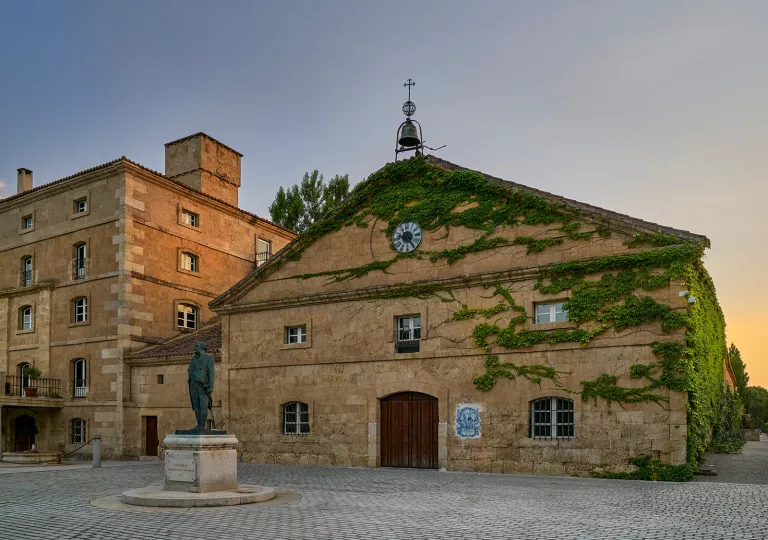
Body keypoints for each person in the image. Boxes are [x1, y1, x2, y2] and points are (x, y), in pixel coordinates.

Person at [187, 341, 214, 431]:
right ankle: (199, 424)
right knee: (196, 406)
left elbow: (211, 373)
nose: (195, 348)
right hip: (193, 385)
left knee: (203, 405)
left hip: (203, 386)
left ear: (202, 347)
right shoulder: (194, 358)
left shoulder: (208, 358)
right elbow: (190, 370)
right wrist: (189, 379)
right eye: (195, 346)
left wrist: (211, 386)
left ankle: (202, 425)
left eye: (197, 346)